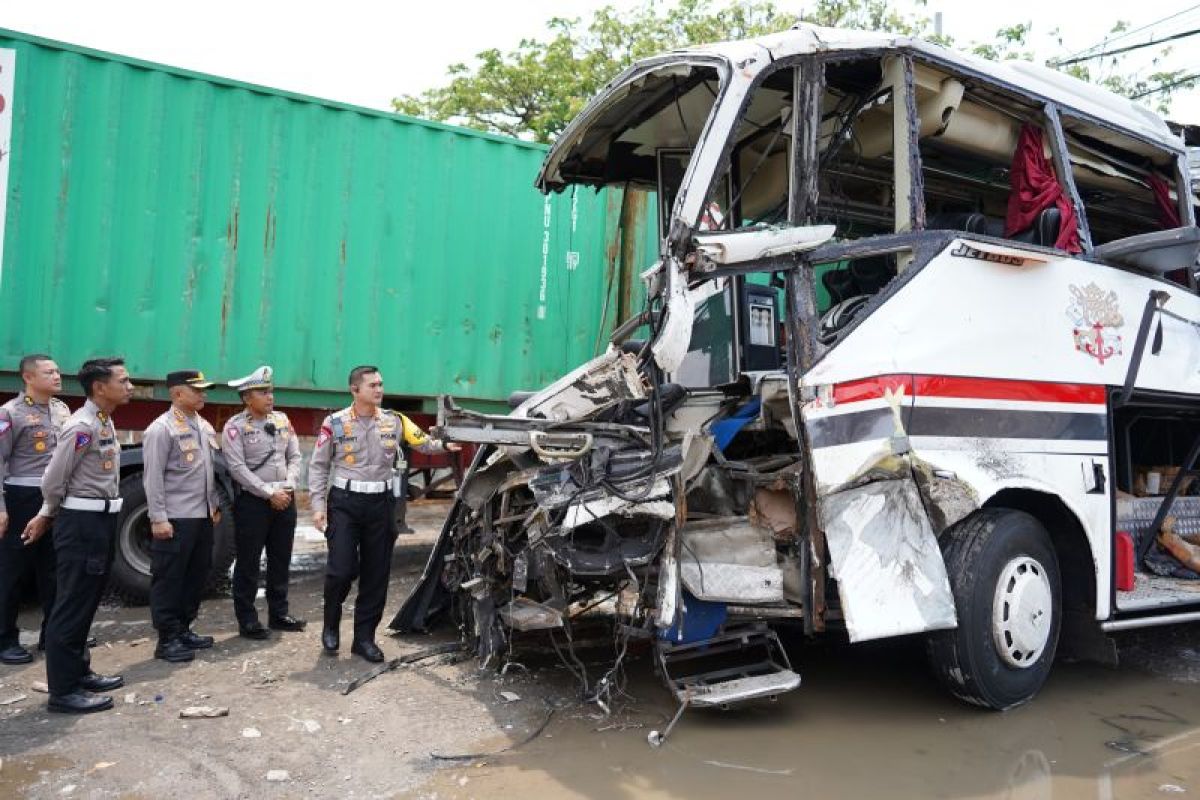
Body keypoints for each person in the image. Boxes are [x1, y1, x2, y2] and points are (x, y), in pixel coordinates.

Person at [308, 366, 458, 662]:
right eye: (372, 385)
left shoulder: (395, 421)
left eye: (381, 384)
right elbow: (319, 466)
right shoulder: (335, 423)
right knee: (340, 570)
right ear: (355, 390)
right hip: (345, 502)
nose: (379, 389)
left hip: (381, 503)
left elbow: (423, 442)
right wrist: (317, 506)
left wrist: (445, 445)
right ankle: (330, 624)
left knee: (376, 574)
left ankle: (364, 639)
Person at [25, 357, 132, 713]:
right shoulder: (81, 426)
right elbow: (52, 481)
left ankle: (80, 672)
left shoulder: (103, 420)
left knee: (87, 602)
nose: (130, 387)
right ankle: (64, 691)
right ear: (100, 387)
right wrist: (47, 513)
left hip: (101, 521)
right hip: (81, 525)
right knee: (70, 606)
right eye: (124, 381)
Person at [142, 370, 220, 664]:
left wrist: (213, 506)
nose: (203, 395)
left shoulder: (203, 425)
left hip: (201, 516)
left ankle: (184, 628)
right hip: (175, 517)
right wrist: (158, 517)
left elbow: (207, 472)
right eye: (197, 390)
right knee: (169, 578)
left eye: (204, 389)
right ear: (177, 394)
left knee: (196, 575)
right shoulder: (161, 429)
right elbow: (153, 478)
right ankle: (167, 639)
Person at [222, 366, 305, 639]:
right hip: (255, 503)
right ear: (247, 397)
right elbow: (237, 468)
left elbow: (295, 457)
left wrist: (288, 486)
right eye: (262, 392)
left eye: (271, 391)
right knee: (248, 562)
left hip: (285, 498)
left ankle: (278, 614)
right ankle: (247, 620)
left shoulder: (282, 419)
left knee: (281, 559)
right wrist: (269, 493)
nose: (270, 396)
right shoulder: (235, 427)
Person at [0, 355, 71, 665]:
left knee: (54, 569)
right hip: (21, 497)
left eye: (57, 371)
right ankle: (4, 639)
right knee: (13, 570)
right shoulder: (10, 413)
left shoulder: (61, 409)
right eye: (49, 372)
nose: (57, 376)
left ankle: (52, 633)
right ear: (28, 377)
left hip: (54, 497)